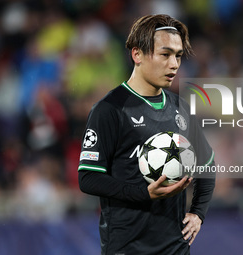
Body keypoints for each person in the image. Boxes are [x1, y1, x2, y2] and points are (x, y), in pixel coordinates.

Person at [78, 14, 215, 255]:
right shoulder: (110, 109)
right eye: (165, 54)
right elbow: (88, 178)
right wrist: (143, 193)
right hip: (126, 248)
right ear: (137, 54)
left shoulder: (180, 108)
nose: (174, 64)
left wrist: (198, 213)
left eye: (178, 55)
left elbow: (208, 165)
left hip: (175, 248)